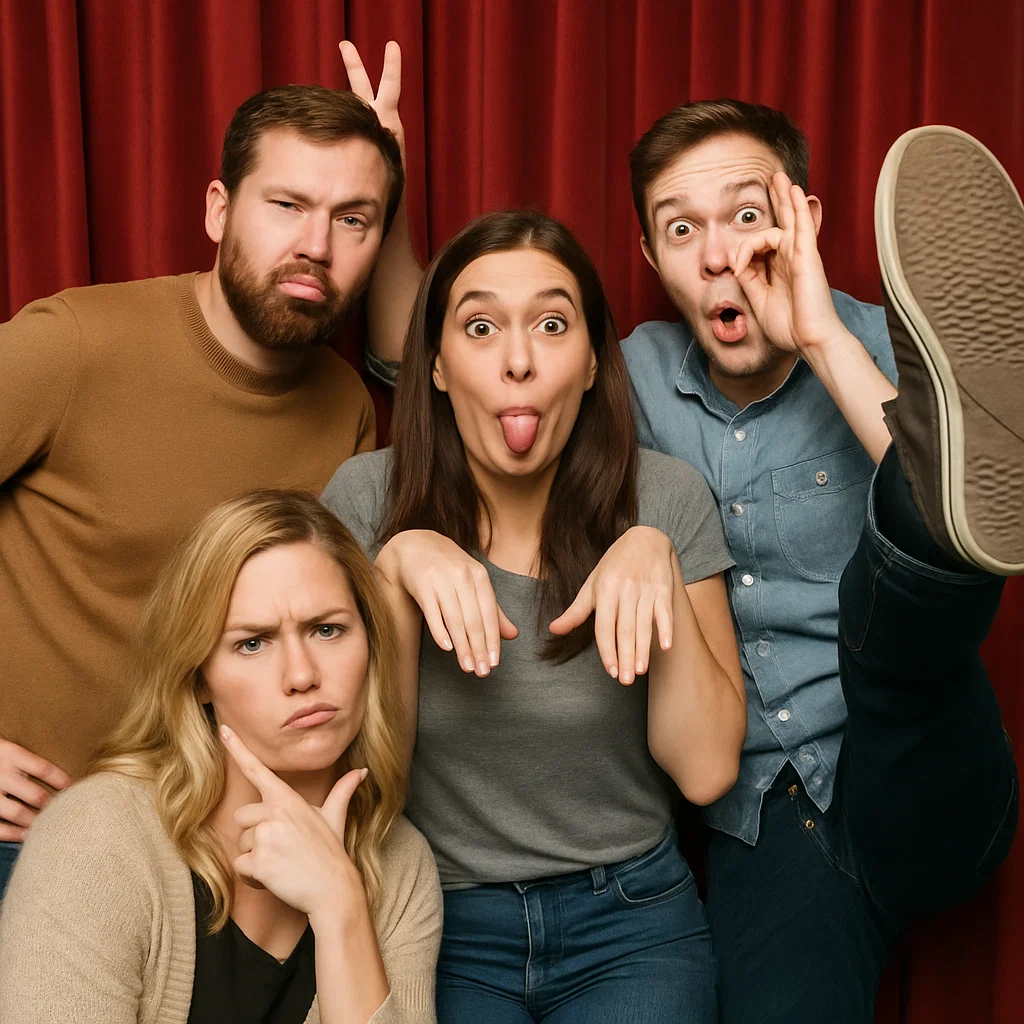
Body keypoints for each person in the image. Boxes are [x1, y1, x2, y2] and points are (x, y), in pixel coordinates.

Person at [620, 105, 1020, 1020]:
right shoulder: (631, 378)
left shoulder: (887, 347)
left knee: (918, 536)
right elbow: (478, 390)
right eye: (683, 229)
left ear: (805, 220)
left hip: (924, 760)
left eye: (748, 216)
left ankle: (972, 459)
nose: (720, 256)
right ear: (650, 258)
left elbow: (962, 515)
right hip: (775, 809)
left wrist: (819, 339)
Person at [0, 43, 407, 892]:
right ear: (219, 209)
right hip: (29, 846)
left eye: (353, 219)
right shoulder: (72, 346)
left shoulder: (346, 407)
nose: (316, 245)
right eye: (287, 205)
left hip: (218, 860)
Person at [323, 209, 746, 1024]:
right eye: (480, 327)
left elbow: (704, 773)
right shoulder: (364, 499)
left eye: (552, 325)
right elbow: (366, 787)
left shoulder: (665, 497)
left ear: (591, 362)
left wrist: (655, 557)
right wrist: (397, 571)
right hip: (438, 915)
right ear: (437, 364)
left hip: (631, 920)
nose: (518, 362)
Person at [0, 490, 442, 1023]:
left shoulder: (397, 863)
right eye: (253, 643)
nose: (302, 676)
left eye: (327, 630)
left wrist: (341, 907)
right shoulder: (98, 838)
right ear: (198, 676)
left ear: (370, 646)